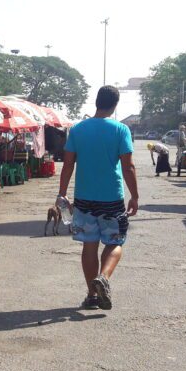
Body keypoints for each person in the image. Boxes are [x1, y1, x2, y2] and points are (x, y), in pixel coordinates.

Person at [58, 86, 139, 311]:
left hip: (84, 198)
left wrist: (62, 193)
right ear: (115, 105)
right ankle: (103, 277)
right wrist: (135, 196)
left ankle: (92, 296)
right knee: (114, 242)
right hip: (112, 198)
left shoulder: (77, 129)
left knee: (89, 245)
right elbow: (128, 166)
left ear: (96, 102)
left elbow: (67, 165)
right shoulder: (121, 129)